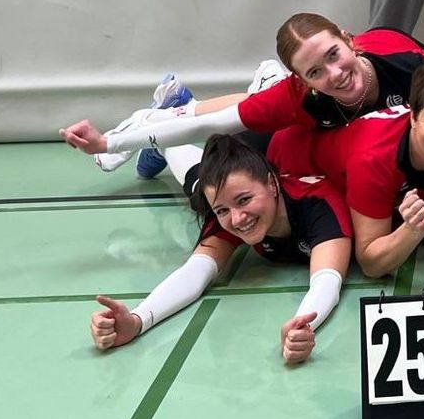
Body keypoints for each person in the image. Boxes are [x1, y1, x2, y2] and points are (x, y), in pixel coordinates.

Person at [89, 134, 351, 364]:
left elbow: (326, 281)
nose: (237, 219)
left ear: (272, 184)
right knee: (196, 183)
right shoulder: (223, 208)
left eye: (244, 200)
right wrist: (137, 321)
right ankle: (163, 142)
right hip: (228, 176)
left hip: (267, 142)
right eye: (223, 210)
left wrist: (300, 327)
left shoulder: (318, 206)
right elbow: (194, 273)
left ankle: (166, 133)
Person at [60, 13, 424, 173]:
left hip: (349, 133)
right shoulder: (298, 96)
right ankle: (160, 123)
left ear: (348, 40)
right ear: (300, 80)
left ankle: (187, 104)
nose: (335, 74)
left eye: (334, 55)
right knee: (229, 160)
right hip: (297, 131)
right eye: (315, 72)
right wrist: (107, 143)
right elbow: (211, 125)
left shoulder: (412, 68)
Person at [267, 59, 424, 282]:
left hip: (353, 159)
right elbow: (370, 264)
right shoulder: (374, 159)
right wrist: (411, 231)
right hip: (288, 162)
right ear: (413, 117)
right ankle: (270, 82)